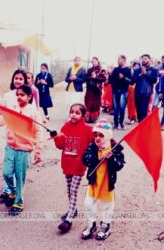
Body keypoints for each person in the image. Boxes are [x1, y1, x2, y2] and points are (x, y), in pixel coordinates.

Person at [0, 85, 42, 216]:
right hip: (10, 147)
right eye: (17, 94)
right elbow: (0, 122)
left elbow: (38, 131)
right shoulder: (12, 109)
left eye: (22, 95)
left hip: (24, 149)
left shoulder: (33, 112)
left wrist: (38, 151)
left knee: (20, 177)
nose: (19, 97)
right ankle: (12, 192)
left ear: (30, 97)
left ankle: (18, 201)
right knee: (6, 173)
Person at [81, 119, 125, 241]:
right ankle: (92, 224)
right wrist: (97, 158)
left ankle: (105, 225)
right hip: (94, 182)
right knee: (88, 204)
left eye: (101, 135)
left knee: (106, 206)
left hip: (106, 183)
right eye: (96, 134)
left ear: (108, 136)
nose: (98, 138)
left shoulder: (115, 149)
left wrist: (111, 158)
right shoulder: (92, 147)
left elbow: (119, 165)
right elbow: (85, 159)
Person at [53, 103, 93, 233]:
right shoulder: (65, 126)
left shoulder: (87, 129)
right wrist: (56, 137)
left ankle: (69, 219)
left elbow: (96, 142)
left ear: (83, 115)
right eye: (72, 112)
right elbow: (60, 145)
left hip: (79, 165)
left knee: (74, 189)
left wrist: (108, 143)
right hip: (67, 163)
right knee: (69, 189)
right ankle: (73, 209)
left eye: (77, 113)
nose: (74, 115)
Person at [0, 69, 28, 202]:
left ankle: (11, 191)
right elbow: (2, 114)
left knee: (17, 167)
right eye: (16, 78)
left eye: (21, 79)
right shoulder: (8, 95)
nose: (18, 81)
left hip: (23, 139)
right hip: (10, 137)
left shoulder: (28, 95)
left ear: (25, 81)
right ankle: (9, 188)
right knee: (8, 167)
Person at [131, 54, 158, 122]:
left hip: (146, 94)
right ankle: (140, 129)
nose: (143, 60)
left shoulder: (154, 69)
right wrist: (140, 75)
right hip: (137, 93)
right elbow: (132, 80)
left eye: (145, 58)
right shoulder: (137, 70)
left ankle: (144, 129)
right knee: (139, 113)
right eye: (142, 59)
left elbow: (154, 80)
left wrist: (146, 74)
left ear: (149, 60)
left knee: (144, 113)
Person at [109, 55, 132, 130]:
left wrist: (123, 78)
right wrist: (110, 75)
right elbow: (111, 81)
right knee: (116, 108)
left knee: (122, 108)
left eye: (120, 60)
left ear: (124, 61)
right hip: (116, 91)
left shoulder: (128, 70)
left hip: (124, 91)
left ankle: (121, 123)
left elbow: (131, 81)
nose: (118, 61)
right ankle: (115, 124)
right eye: (118, 60)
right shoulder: (115, 69)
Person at [85, 57, 107, 123]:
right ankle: (87, 117)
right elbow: (86, 78)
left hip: (97, 90)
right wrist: (91, 77)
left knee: (95, 104)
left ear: (98, 61)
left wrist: (95, 78)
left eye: (95, 61)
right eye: (93, 61)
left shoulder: (102, 70)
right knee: (88, 102)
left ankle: (94, 117)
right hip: (89, 88)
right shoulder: (89, 70)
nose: (94, 62)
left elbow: (104, 79)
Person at [153, 55, 164, 130]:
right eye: (161, 60)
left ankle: (161, 125)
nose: (162, 61)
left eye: (163, 60)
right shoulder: (159, 68)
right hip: (158, 90)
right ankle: (154, 123)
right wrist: (160, 92)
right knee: (154, 106)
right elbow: (159, 79)